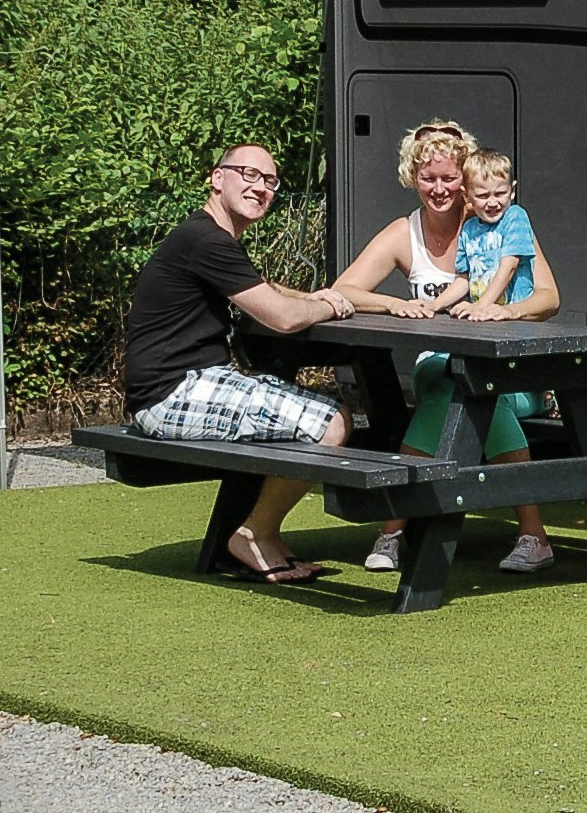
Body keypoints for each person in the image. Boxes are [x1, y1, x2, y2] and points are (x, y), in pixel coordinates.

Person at [327, 119, 563, 574]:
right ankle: (533, 535)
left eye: (449, 178)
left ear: (468, 179)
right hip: (441, 364)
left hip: (515, 372)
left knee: (467, 390)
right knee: (452, 381)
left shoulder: (501, 217)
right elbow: (346, 288)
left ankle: (392, 530)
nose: (439, 189)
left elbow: (549, 298)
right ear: (412, 178)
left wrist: (506, 312)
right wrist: (398, 304)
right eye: (428, 178)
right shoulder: (404, 232)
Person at [122, 145, 361, 584]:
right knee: (332, 420)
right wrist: (329, 307)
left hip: (187, 384)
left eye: (270, 181)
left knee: (311, 408)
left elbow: (264, 289)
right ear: (217, 178)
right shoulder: (206, 239)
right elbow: (283, 317)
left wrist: (315, 296)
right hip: (171, 393)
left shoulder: (208, 237)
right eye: (249, 174)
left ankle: (258, 534)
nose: (260, 188)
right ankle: (254, 535)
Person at [453, 149, 538, 313]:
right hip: (484, 317)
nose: (492, 202)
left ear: (512, 190)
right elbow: (463, 279)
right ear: (466, 196)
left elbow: (509, 267)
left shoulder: (515, 217)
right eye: (483, 196)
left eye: (500, 194)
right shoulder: (468, 229)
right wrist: (434, 305)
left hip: (515, 321)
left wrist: (479, 306)